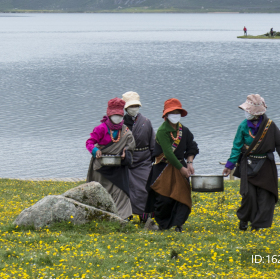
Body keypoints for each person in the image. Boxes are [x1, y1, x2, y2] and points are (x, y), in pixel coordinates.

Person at [221, 94, 280, 230]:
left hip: (266, 165)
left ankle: (257, 225)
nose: (246, 113)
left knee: (266, 197)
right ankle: (244, 220)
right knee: (249, 196)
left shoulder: (270, 126)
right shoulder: (242, 126)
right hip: (248, 165)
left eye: (248, 111)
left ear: (255, 113)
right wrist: (229, 165)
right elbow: (236, 147)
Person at [146, 98, 198, 231]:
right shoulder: (163, 131)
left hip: (181, 165)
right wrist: (182, 169)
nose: (175, 115)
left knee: (182, 196)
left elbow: (192, 146)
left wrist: (190, 162)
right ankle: (163, 224)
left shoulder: (184, 131)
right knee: (164, 198)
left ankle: (178, 224)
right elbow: (168, 153)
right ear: (166, 115)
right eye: (172, 112)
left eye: (177, 112)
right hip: (164, 167)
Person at [85, 98, 136, 219]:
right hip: (101, 167)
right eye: (114, 115)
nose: (117, 117)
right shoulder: (101, 128)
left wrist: (126, 153)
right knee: (100, 191)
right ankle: (100, 216)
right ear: (109, 114)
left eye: (119, 115)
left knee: (120, 192)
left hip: (118, 167)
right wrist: (95, 150)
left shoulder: (126, 132)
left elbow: (130, 147)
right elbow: (89, 142)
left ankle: (122, 217)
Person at [121, 91, 154, 222]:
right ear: (125, 108)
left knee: (144, 188)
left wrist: (154, 159)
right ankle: (125, 216)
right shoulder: (120, 123)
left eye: (136, 105)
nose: (134, 108)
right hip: (127, 160)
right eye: (131, 106)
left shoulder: (146, 122)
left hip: (144, 160)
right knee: (126, 190)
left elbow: (152, 142)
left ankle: (144, 217)